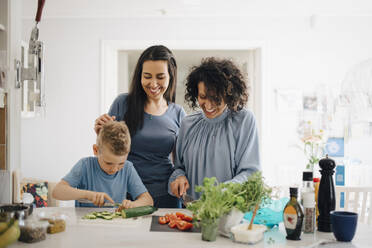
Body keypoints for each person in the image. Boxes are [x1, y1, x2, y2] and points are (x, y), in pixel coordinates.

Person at [94, 45, 186, 208]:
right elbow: (106, 152)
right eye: (147, 76)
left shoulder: (178, 113)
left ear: (170, 76)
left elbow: (181, 163)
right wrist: (100, 133)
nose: (153, 83)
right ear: (139, 77)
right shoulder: (123, 103)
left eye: (160, 77)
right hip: (126, 195)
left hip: (165, 195)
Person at [169, 57, 261, 200]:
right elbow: (179, 168)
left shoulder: (244, 120)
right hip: (193, 212)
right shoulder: (187, 124)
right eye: (203, 97)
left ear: (228, 94)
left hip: (230, 212)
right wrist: (179, 177)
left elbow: (250, 172)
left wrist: (221, 193)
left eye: (216, 98)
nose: (209, 105)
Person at [53, 121, 153, 208]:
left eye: (120, 163)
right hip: (85, 225)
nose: (114, 169)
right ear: (96, 150)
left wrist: (133, 205)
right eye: (109, 163)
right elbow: (57, 191)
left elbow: (148, 201)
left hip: (116, 224)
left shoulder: (127, 168)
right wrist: (88, 195)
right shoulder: (85, 165)